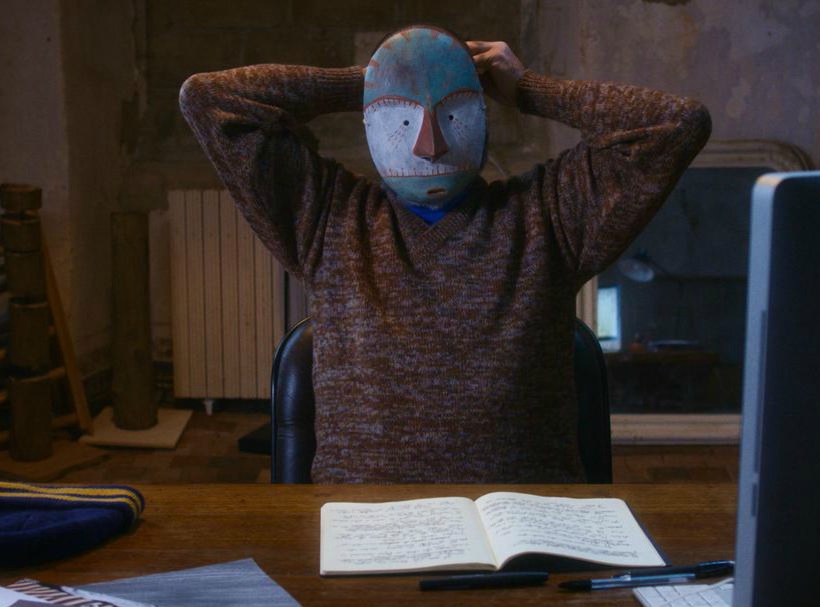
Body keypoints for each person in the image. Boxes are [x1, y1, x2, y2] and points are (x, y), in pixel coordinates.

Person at [179, 25, 711, 483]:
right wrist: (368, 82)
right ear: (370, 125)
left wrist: (527, 90)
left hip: (529, 529)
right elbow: (208, 98)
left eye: (453, 115)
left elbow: (675, 124)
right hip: (362, 533)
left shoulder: (549, 215)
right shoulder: (328, 218)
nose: (429, 144)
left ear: (485, 117)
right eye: (402, 120)